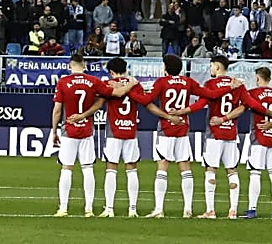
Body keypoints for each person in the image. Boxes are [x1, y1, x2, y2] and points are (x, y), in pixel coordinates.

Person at [49, 52, 133, 217]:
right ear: (85, 65)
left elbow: (57, 109)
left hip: (69, 129)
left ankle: (63, 208)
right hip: (86, 129)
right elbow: (116, 93)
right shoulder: (93, 81)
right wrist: (132, 84)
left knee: (67, 169)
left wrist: (54, 131)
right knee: (87, 169)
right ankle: (89, 209)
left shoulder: (63, 82)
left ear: (70, 65)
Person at [93, 57, 171, 217]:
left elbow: (99, 102)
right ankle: (132, 209)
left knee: (111, 168)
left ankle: (109, 209)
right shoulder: (135, 85)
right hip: (130, 131)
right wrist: (167, 116)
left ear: (112, 72)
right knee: (132, 169)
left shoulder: (110, 84)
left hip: (114, 132)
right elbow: (148, 105)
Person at [143, 53, 206, 218]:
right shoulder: (188, 82)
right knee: (184, 166)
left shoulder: (162, 82)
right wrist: (185, 111)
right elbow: (205, 97)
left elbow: (147, 100)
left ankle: (159, 209)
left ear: (165, 67)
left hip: (166, 127)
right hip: (183, 127)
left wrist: (167, 116)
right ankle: (187, 209)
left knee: (162, 166)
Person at [235, 65, 272, 219]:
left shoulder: (253, 93)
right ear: (270, 78)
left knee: (255, 174)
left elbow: (241, 108)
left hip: (258, 137)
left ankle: (252, 209)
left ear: (258, 78)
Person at [192, 55, 246, 219]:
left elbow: (205, 101)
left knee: (211, 169)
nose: (210, 69)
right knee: (232, 170)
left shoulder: (211, 84)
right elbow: (243, 107)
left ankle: (210, 210)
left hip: (214, 133)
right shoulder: (237, 84)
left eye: (211, 66)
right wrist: (227, 119)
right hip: (230, 132)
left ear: (217, 66)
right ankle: (233, 211)